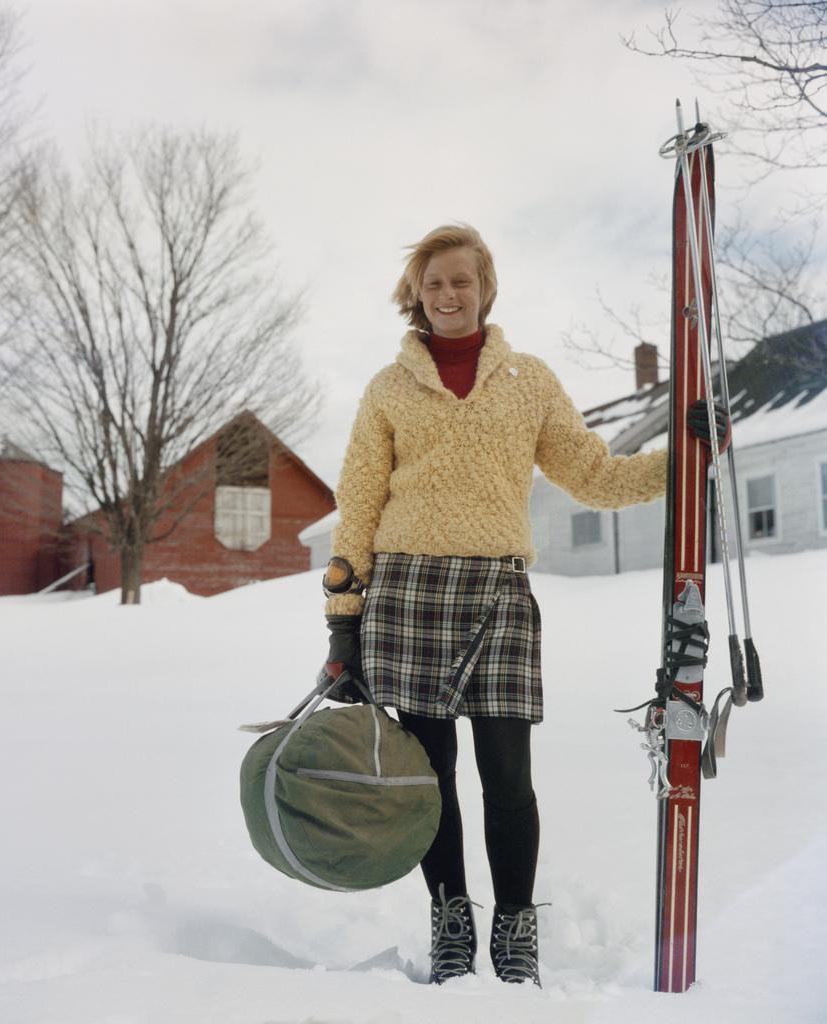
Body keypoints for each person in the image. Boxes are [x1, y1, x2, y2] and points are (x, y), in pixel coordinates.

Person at [320, 223, 727, 988]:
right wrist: (344, 621)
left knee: (507, 779)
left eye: (461, 281)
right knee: (429, 779)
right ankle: (449, 922)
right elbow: (359, 505)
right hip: (406, 596)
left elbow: (595, 475)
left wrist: (685, 453)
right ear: (416, 293)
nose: (448, 294)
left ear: (486, 287)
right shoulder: (386, 389)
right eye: (434, 282)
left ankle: (514, 927)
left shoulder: (529, 382)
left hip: (498, 594)